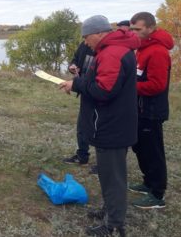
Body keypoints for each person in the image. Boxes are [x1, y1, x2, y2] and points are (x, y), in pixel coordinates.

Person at [59, 15, 139, 236]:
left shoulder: (112, 53)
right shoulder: (114, 49)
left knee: (113, 177)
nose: (85, 42)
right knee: (108, 173)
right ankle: (109, 210)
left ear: (98, 33)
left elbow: (104, 90)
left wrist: (77, 84)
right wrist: (81, 83)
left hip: (111, 125)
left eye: (86, 37)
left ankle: (113, 224)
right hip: (113, 122)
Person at [129, 12, 173, 209]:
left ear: (150, 28)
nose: (134, 33)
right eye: (132, 29)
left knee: (153, 151)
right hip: (140, 109)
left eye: (137, 29)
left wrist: (129, 86)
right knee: (140, 147)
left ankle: (157, 194)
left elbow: (156, 85)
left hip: (151, 110)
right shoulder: (143, 48)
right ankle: (148, 183)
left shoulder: (157, 51)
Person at [63, 41, 95, 169]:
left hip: (99, 93)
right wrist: (72, 66)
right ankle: (82, 156)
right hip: (85, 91)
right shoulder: (84, 45)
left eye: (88, 36)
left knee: (100, 128)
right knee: (82, 125)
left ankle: (105, 163)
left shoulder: (106, 49)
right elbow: (75, 60)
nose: (86, 40)